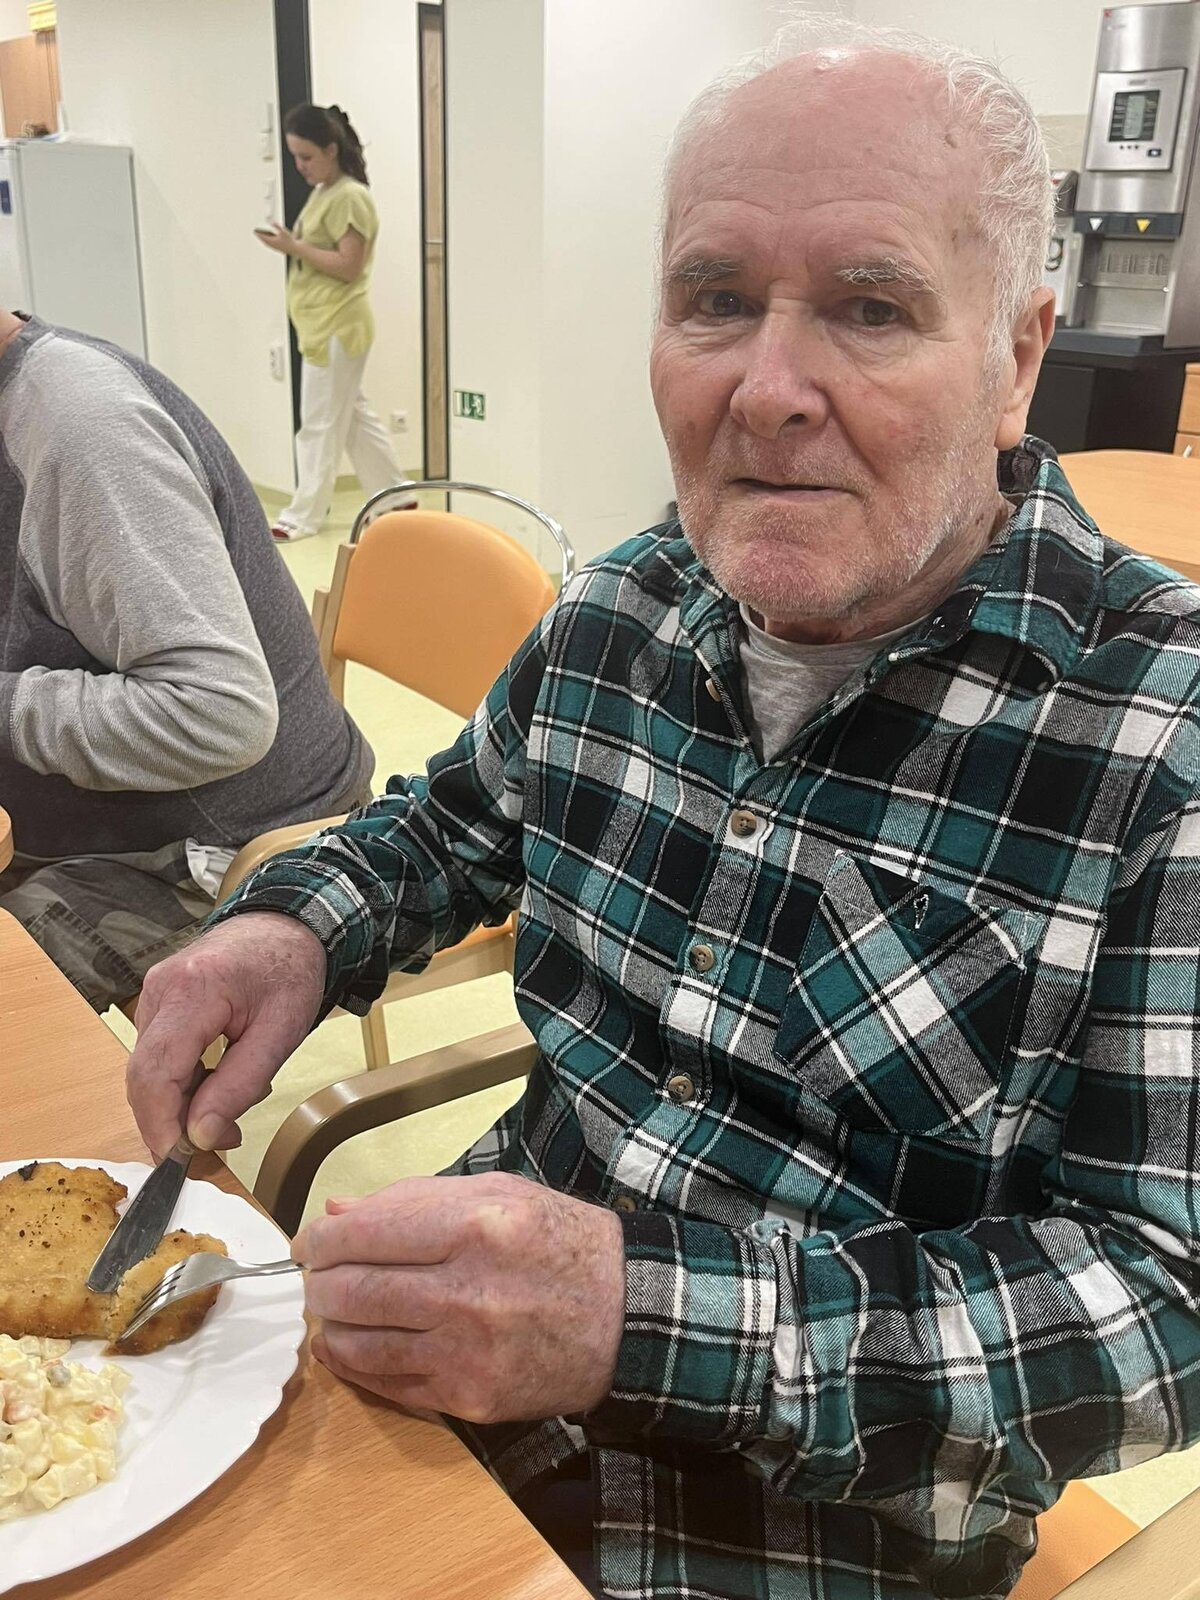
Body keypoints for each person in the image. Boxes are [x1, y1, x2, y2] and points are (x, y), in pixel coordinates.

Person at [126, 16, 1200, 1600]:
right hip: (444, 1404)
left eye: (872, 308)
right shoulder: (625, 603)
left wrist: (642, 1319)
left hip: (810, 1533)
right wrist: (295, 926)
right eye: (714, 299)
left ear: (1016, 358)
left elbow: (1161, 1306)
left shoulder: (1160, 740)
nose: (767, 390)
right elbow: (454, 826)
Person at [0, 309, 372, 1016]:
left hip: (226, 838)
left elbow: (220, 715)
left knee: (18, 1025)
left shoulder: (81, 426)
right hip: (99, 818)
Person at [256, 103, 405, 542]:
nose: (300, 166)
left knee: (319, 424)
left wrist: (293, 248)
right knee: (353, 418)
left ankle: (302, 516)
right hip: (323, 326)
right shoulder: (325, 193)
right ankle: (396, 497)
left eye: (306, 156)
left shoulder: (350, 197)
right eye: (295, 157)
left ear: (331, 150)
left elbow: (348, 266)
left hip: (338, 326)